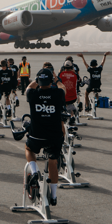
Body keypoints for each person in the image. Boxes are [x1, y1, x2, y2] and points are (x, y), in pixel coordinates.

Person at [24, 68, 67, 205]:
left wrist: (36, 81)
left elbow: (28, 87)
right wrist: (56, 80)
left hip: (37, 135)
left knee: (29, 149)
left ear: (38, 80)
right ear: (51, 81)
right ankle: (53, 196)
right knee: (53, 163)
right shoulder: (58, 93)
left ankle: (35, 171)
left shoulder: (32, 94)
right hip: (54, 136)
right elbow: (63, 87)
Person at [57, 57, 81, 122]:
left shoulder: (61, 75)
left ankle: (69, 115)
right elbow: (79, 80)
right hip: (73, 97)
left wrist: (60, 72)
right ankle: (72, 115)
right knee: (69, 103)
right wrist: (74, 72)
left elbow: (57, 81)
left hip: (64, 97)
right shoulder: (75, 75)